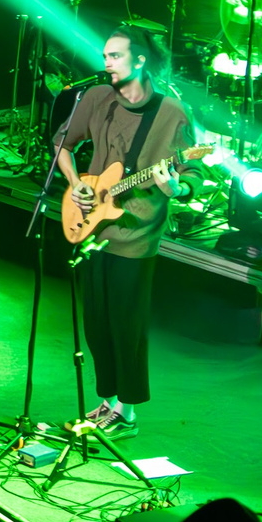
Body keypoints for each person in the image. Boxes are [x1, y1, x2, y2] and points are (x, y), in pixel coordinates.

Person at [52, 30, 196, 438]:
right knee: (96, 321)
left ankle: (127, 412)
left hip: (136, 234)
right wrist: (76, 181)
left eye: (115, 55)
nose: (106, 63)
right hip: (94, 225)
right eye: (104, 56)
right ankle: (107, 402)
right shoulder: (97, 98)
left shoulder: (171, 114)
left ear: (141, 60)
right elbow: (61, 144)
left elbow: (191, 172)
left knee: (126, 323)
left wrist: (175, 187)